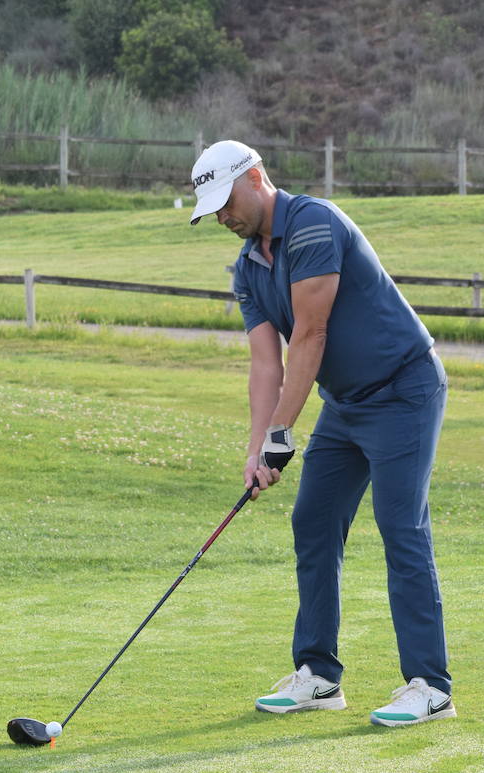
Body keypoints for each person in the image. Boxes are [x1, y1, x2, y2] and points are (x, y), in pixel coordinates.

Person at [189, 140, 454, 728]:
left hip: (403, 389)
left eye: (226, 201)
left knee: (400, 526)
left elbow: (310, 335)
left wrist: (284, 431)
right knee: (313, 521)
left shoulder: (312, 224)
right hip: (346, 403)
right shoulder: (246, 269)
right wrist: (259, 445)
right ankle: (319, 676)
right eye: (212, 210)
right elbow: (266, 363)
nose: (223, 217)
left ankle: (431, 685)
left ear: (255, 178)